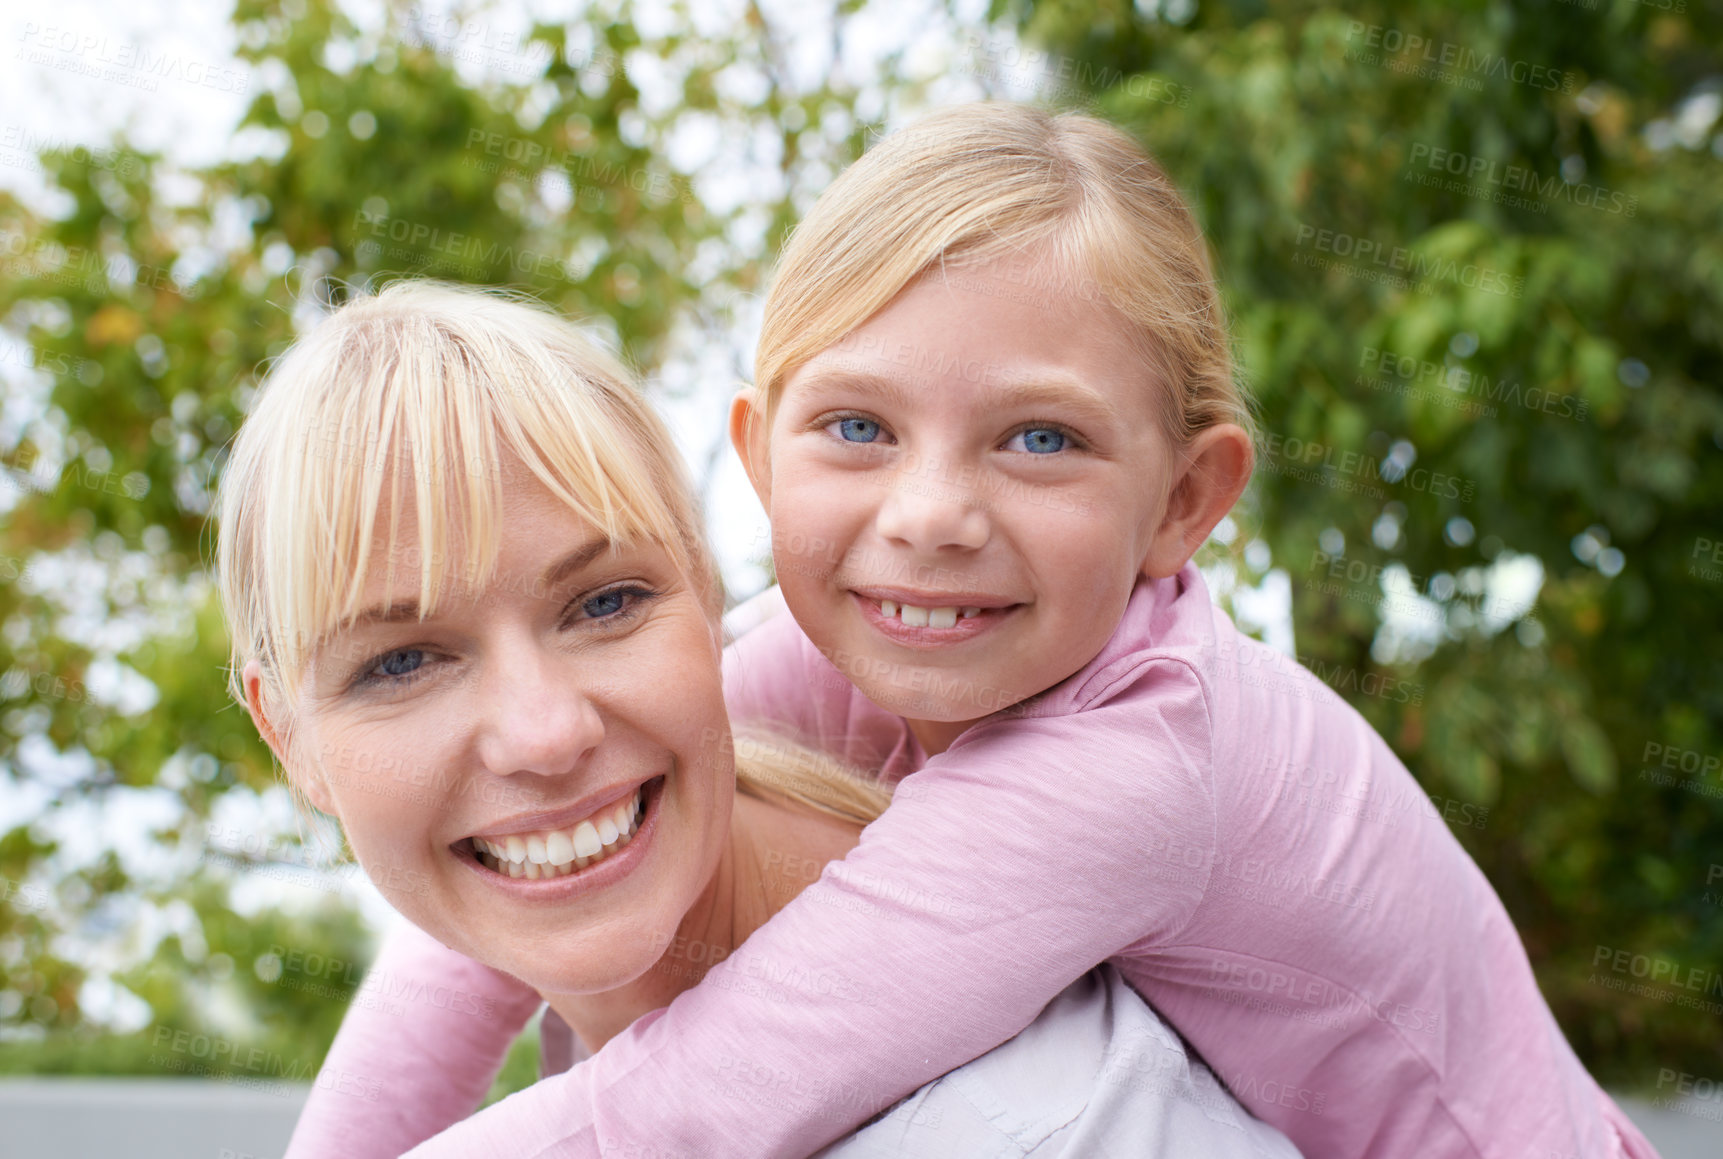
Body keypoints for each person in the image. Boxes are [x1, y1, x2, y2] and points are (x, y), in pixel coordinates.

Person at [285, 104, 1659, 1159]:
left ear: (1182, 501)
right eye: (857, 427)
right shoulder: (845, 644)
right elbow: (487, 898)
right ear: (760, 459)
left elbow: (705, 1091)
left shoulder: (1137, 759)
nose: (929, 514)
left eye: (1039, 437)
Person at [218, 281, 1305, 1158]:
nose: (545, 734)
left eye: (604, 602)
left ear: (711, 602)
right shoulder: (625, 1020)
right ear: (288, 736)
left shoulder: (1028, 1121)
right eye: (402, 662)